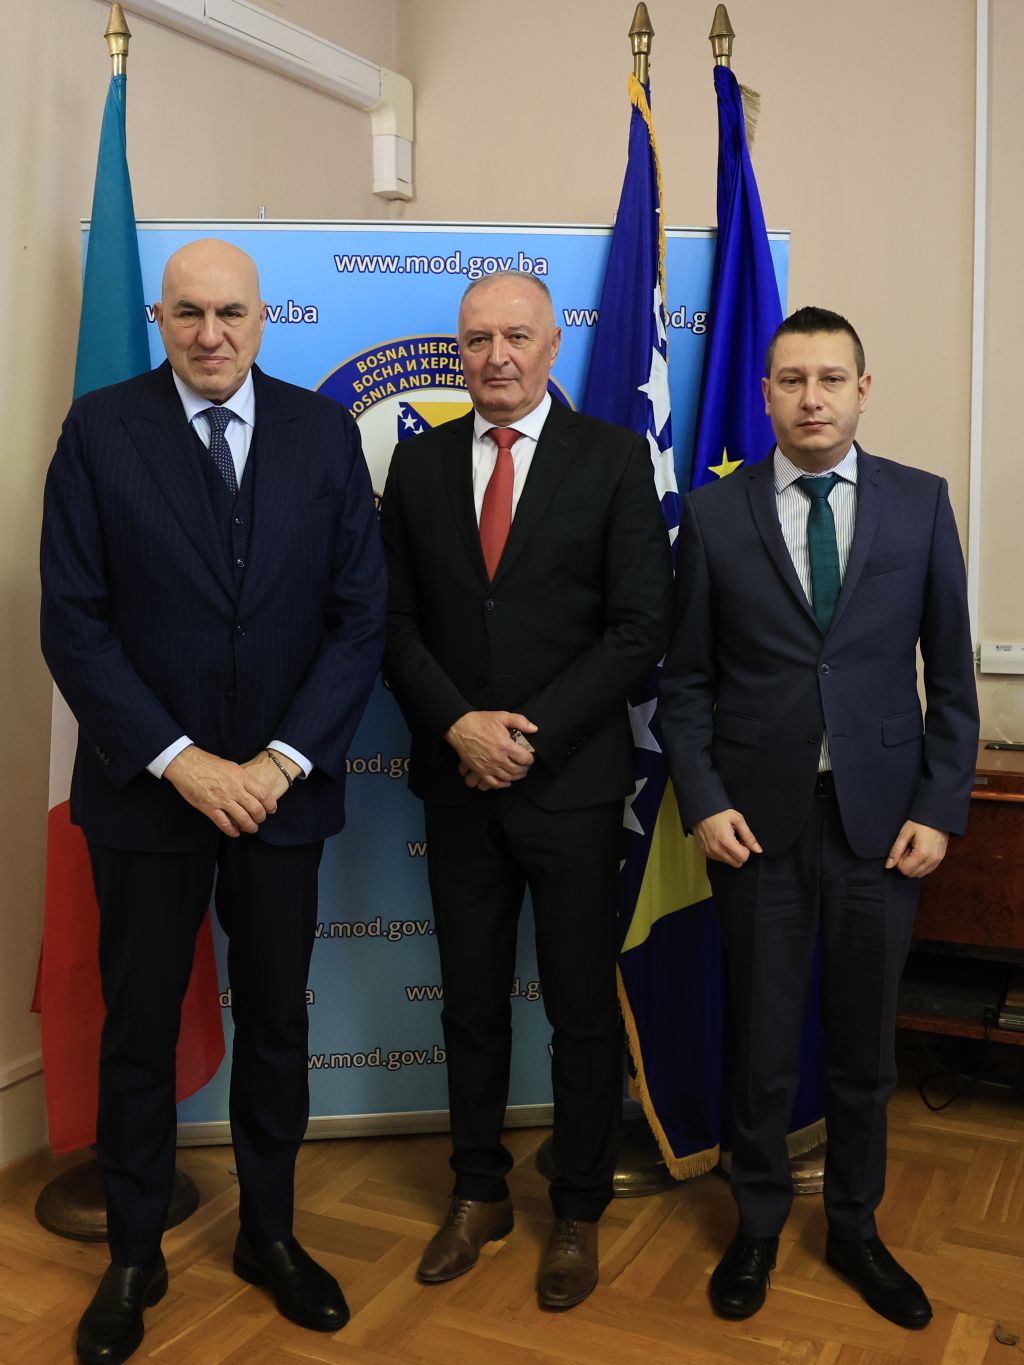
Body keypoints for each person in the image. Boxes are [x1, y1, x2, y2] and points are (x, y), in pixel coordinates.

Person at [40, 238, 386, 1364]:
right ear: (160, 317)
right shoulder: (100, 431)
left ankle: (269, 1235)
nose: (210, 333)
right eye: (188, 312)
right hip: (148, 797)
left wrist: (279, 761)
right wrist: (180, 759)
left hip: (282, 796)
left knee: (277, 1021)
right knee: (138, 1027)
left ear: (262, 317)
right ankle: (133, 1254)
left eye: (230, 312)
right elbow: (73, 623)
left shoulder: (322, 435)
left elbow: (359, 618)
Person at [659, 306, 979, 1329]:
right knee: (759, 1042)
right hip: (756, 830)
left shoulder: (920, 503)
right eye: (791, 380)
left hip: (882, 830)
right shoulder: (716, 516)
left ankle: (854, 1226)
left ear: (862, 391)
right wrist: (704, 801)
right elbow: (685, 684)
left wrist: (940, 807)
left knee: (866, 1049)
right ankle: (756, 1225)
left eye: (831, 379)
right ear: (765, 395)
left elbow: (952, 677)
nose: (811, 398)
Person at [380, 271, 672, 1310]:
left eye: (516, 336)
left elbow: (639, 627)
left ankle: (577, 1208)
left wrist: (525, 739)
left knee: (582, 1011)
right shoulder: (417, 465)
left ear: (552, 345)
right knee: (470, 1004)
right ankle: (478, 1192)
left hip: (572, 787)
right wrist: (460, 726)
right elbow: (390, 623)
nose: (496, 356)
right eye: (476, 339)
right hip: (458, 781)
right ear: (458, 353)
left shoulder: (613, 458)